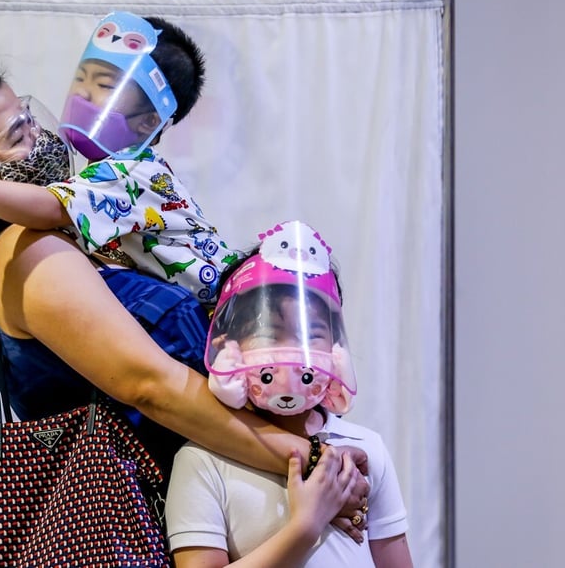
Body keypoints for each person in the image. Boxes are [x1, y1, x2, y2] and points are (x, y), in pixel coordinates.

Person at [0, 50, 371, 550]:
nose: (39, 138)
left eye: (28, 116)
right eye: (16, 136)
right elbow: (151, 386)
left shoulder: (81, 236)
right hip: (125, 525)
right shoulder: (27, 252)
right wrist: (306, 459)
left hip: (181, 514)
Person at [0, 11, 240, 305]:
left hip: (231, 307)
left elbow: (50, 207)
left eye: (105, 87)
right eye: (83, 81)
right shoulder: (106, 176)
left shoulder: (129, 173)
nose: (84, 97)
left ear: (151, 121)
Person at [165, 220, 414, 567]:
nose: (292, 353)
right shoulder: (203, 460)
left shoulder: (365, 452)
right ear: (228, 346)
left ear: (335, 348)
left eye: (311, 334)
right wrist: (305, 528)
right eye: (270, 333)